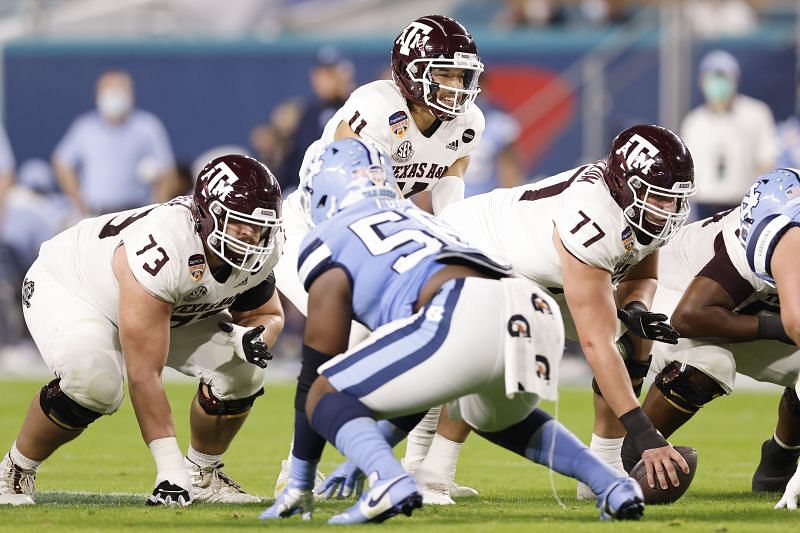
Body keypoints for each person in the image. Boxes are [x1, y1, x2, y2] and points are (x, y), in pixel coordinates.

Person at [260, 137, 645, 524]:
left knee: (326, 391)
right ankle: (610, 483)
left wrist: (300, 481)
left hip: (460, 310)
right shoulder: (420, 216)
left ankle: (390, 481)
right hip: (532, 306)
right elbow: (419, 388)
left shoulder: (326, 240)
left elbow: (317, 376)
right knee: (499, 419)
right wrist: (366, 453)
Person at [406, 124, 695, 502]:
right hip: (476, 248)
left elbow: (643, 272)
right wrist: (644, 433)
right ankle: (433, 472)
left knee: (633, 340)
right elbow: (595, 344)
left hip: (544, 272)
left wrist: (636, 307)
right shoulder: (593, 215)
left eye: (674, 199)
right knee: (490, 354)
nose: (668, 210)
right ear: (627, 187)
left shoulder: (643, 210)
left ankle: (603, 469)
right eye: (658, 199)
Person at [271, 14, 486, 501]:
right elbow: (349, 190)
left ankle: (419, 469)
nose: (456, 86)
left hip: (380, 227)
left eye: (461, 74)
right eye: (444, 73)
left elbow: (448, 192)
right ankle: (296, 467)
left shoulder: (468, 123)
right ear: (410, 72)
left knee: (437, 323)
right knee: (348, 340)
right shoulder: (373, 107)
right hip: (316, 227)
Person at [0, 155, 284, 506]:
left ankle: (202, 475)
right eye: (239, 224)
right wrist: (168, 470)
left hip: (168, 307)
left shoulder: (263, 250)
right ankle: (15, 469)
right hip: (76, 288)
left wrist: (252, 337)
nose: (251, 237)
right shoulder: (167, 245)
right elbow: (144, 374)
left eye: (259, 227)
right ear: (206, 215)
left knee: (242, 370)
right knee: (96, 383)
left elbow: (266, 314)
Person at [614, 169, 800, 509]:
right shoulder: (774, 227)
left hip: (742, 308)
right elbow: (690, 317)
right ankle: (631, 455)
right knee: (709, 362)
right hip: (672, 290)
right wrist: (785, 329)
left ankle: (780, 457)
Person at [52, 70, 181, 217]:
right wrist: (77, 198)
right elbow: (61, 161)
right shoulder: (85, 128)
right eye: (108, 92)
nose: (114, 97)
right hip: (96, 214)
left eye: (119, 91)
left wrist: (159, 207)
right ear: (98, 96)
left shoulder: (148, 127)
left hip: (137, 214)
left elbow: (168, 170)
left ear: (130, 95)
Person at [680, 50, 776, 220]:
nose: (718, 84)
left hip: (742, 204)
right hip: (704, 206)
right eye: (713, 77)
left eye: (723, 77)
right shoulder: (694, 122)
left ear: (735, 79)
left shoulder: (756, 114)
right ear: (702, 81)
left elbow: (767, 161)